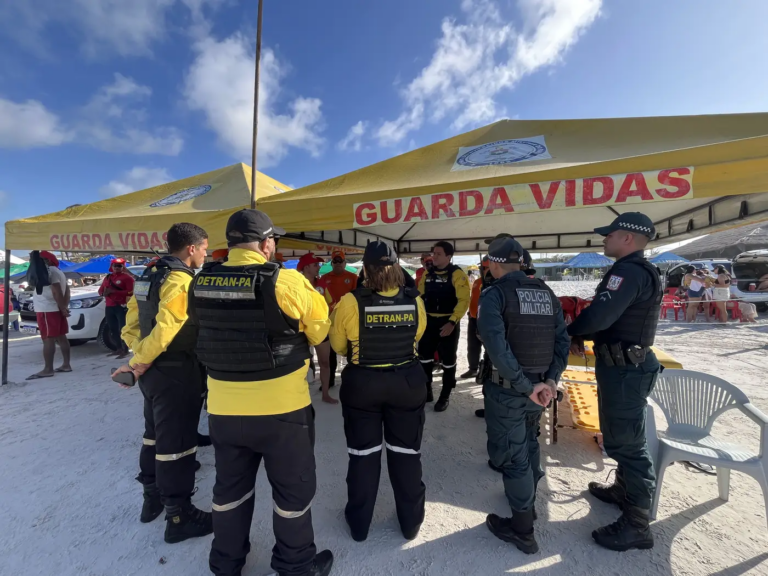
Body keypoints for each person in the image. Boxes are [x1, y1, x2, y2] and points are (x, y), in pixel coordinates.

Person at [192, 209, 333, 576]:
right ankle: (296, 565)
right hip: (282, 412)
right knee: (292, 493)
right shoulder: (287, 281)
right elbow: (319, 331)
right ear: (267, 244)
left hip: (223, 409)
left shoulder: (200, 281)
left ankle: (226, 564)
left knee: (229, 491)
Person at [567, 212, 663, 552]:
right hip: (620, 366)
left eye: (610, 234)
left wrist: (571, 331)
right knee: (618, 435)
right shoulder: (634, 270)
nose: (604, 238)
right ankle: (624, 489)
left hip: (626, 369)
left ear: (628, 237)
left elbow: (601, 315)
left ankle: (637, 524)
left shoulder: (629, 272)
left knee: (629, 444)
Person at [116, 223, 212, 543]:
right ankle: (179, 516)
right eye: (204, 248)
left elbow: (131, 324)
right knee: (178, 446)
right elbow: (167, 328)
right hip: (176, 371)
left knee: (153, 436)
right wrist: (140, 361)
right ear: (191, 248)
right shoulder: (180, 280)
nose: (205, 254)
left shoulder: (149, 274)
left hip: (153, 374)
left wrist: (140, 356)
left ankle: (152, 499)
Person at [329, 241, 428, 543]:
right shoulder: (414, 300)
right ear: (396, 267)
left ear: (365, 269)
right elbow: (418, 335)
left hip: (363, 385)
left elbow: (339, 345)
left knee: (363, 455)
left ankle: (359, 525)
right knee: (406, 454)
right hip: (406, 383)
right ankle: (410, 524)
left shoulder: (350, 301)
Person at [477, 236, 569, 554]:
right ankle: (527, 502)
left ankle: (522, 530)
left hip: (512, 392)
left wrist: (527, 387)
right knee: (530, 442)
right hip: (537, 389)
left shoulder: (494, 294)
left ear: (493, 263)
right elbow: (562, 341)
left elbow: (497, 347)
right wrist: (550, 380)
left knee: (513, 455)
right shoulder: (546, 292)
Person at [417, 241, 470, 412]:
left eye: (438, 254)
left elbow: (464, 300)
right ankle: (427, 391)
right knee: (424, 359)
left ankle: (445, 395)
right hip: (428, 322)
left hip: (448, 323)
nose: (434, 256)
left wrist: (452, 322)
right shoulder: (427, 273)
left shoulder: (457, 274)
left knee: (448, 362)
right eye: (433, 253)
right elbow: (420, 296)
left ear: (449, 256)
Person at [298, 252, 337, 404]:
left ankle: (325, 394)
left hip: (320, 329)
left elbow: (331, 303)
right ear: (306, 267)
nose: (318, 267)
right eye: (315, 265)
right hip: (300, 331)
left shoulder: (322, 284)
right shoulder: (296, 283)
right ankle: (299, 396)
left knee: (325, 362)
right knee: (300, 365)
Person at [27, 250, 72, 380]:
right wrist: (64, 306)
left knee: (48, 339)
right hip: (55, 309)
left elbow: (56, 290)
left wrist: (62, 307)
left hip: (47, 310)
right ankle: (66, 364)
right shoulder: (58, 271)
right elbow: (67, 290)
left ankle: (48, 369)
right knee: (61, 337)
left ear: (47, 260)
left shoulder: (49, 271)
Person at [318, 250, 358, 389]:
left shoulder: (353, 278)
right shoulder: (324, 278)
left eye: (340, 261)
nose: (338, 263)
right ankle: (329, 381)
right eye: (335, 261)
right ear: (332, 263)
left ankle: (352, 380)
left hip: (349, 320)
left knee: (352, 350)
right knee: (330, 353)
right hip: (330, 320)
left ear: (345, 263)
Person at [462, 256, 491, 381]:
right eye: (481, 268)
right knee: (472, 345)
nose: (482, 270)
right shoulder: (477, 282)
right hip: (473, 318)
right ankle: (473, 368)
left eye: (484, 268)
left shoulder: (495, 283)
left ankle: (486, 371)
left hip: (485, 320)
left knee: (488, 347)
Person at [98, 258, 135, 358]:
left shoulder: (127, 278)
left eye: (119, 266)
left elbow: (131, 292)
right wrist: (103, 293)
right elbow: (100, 290)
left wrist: (115, 292)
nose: (117, 267)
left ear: (123, 267)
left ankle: (125, 350)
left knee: (123, 328)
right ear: (112, 266)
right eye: (115, 265)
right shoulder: (107, 277)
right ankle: (118, 349)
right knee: (112, 328)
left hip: (121, 306)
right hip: (109, 306)